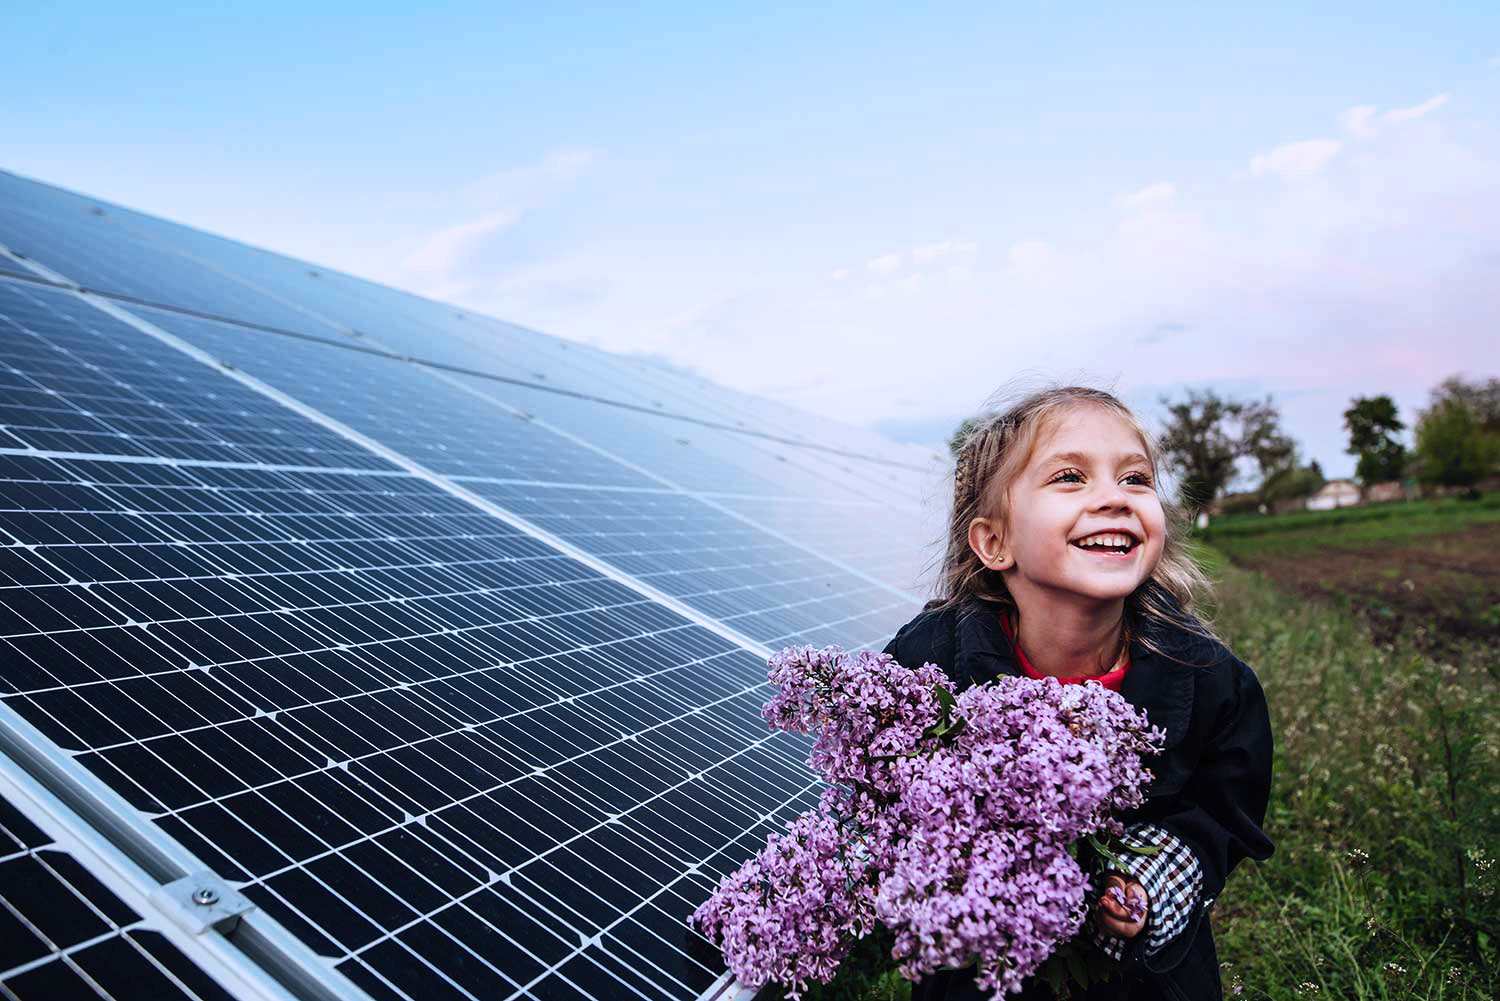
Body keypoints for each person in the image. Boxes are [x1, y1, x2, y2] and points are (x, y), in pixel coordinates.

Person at [883, 386, 1274, 1000]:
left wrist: (1147, 882)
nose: (1114, 498)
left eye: (1136, 479)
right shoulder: (925, 663)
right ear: (994, 543)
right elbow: (879, 799)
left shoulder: (1209, 678)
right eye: (1070, 477)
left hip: (1145, 982)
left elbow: (1222, 815)